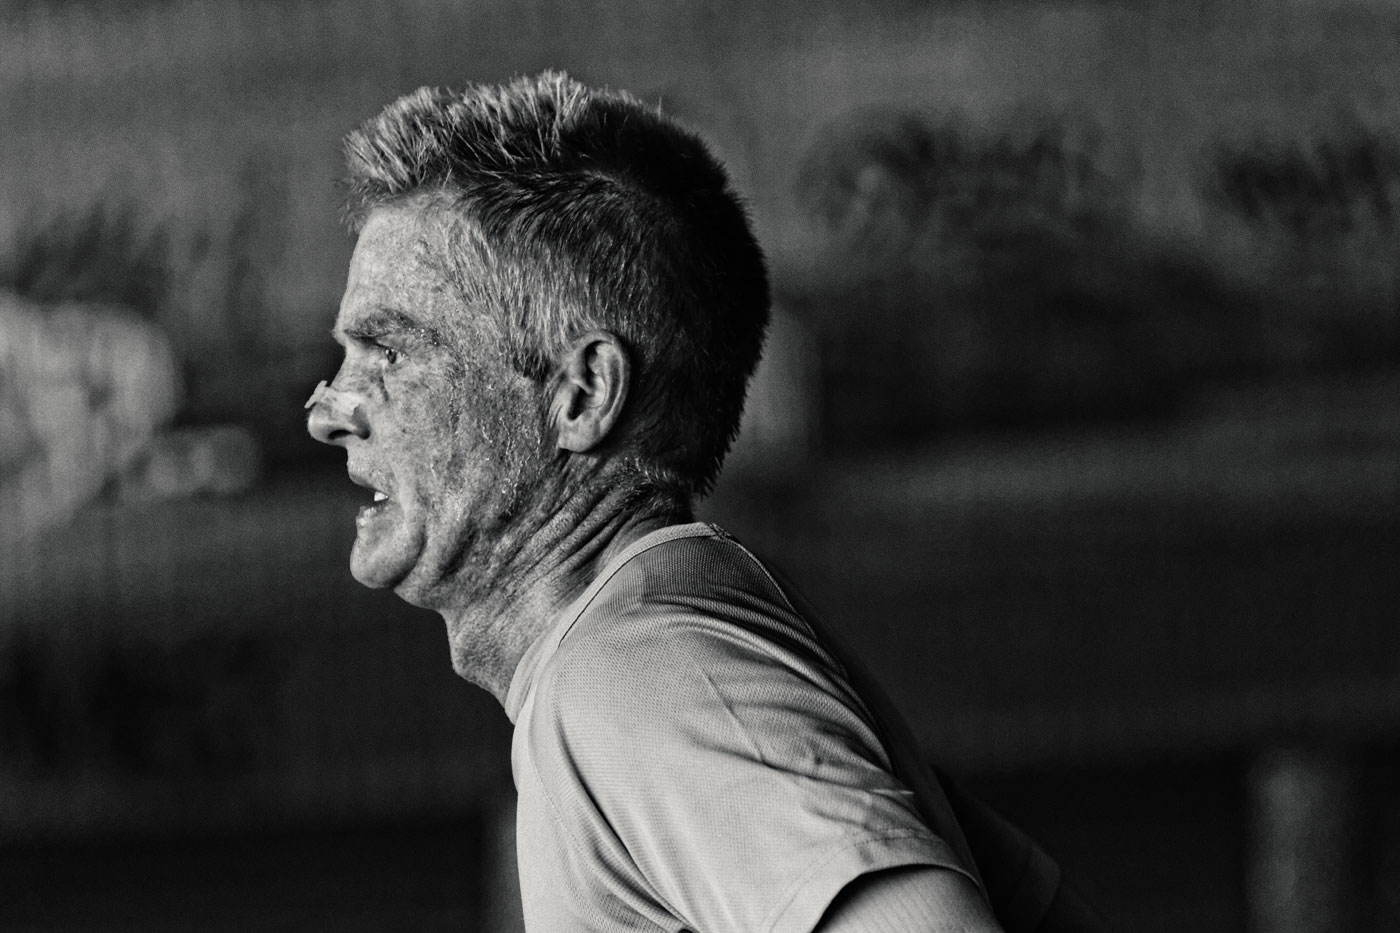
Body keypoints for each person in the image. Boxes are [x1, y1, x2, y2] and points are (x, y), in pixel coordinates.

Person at [307, 71, 1106, 932]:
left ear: (581, 394)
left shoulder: (637, 673)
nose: (327, 412)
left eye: (389, 351)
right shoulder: (642, 651)